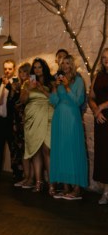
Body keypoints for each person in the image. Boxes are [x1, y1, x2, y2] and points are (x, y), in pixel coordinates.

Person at [50, 55, 88, 200]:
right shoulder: (58, 81)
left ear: (72, 65)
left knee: (73, 150)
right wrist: (55, 88)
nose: (65, 65)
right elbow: (53, 101)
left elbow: (78, 101)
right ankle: (66, 187)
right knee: (61, 150)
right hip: (58, 118)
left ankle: (77, 188)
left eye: (67, 63)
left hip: (72, 118)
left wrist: (66, 87)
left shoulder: (78, 81)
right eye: (62, 63)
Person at [20, 58, 54, 193]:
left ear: (44, 68)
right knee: (35, 150)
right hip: (32, 117)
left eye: (39, 67)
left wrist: (41, 88)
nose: (37, 70)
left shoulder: (51, 82)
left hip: (47, 117)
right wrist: (28, 89)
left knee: (47, 149)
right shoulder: (27, 83)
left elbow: (55, 99)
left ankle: (51, 183)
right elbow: (22, 100)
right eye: (35, 68)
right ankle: (39, 182)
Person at [10, 62, 34, 188]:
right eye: (20, 72)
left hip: (28, 119)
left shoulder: (31, 85)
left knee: (29, 149)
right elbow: (12, 103)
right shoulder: (18, 85)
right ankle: (25, 176)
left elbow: (27, 102)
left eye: (25, 72)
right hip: (17, 121)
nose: (22, 74)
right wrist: (13, 91)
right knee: (20, 150)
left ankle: (32, 177)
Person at [89, 49, 108, 204]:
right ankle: (106, 192)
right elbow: (91, 97)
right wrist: (96, 109)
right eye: (103, 58)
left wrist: (102, 106)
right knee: (103, 154)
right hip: (100, 120)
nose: (106, 60)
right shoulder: (98, 76)